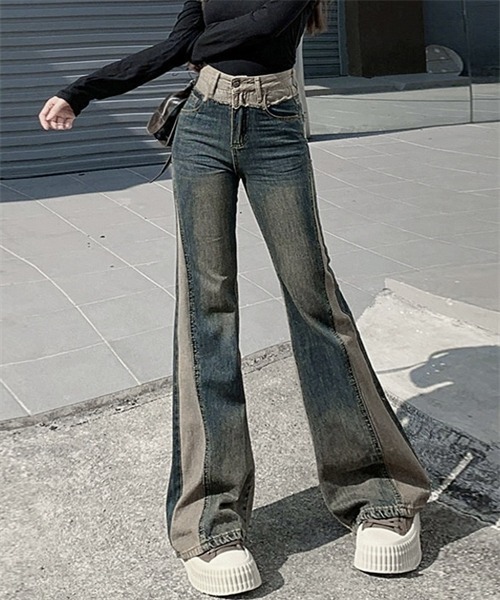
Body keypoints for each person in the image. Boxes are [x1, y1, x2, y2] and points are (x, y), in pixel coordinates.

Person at [39, 0, 431, 596]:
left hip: (275, 123)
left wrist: (200, 47)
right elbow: (174, 47)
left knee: (314, 301)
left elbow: (264, 27)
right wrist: (82, 90)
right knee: (207, 310)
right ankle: (211, 517)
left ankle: (377, 489)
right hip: (202, 124)